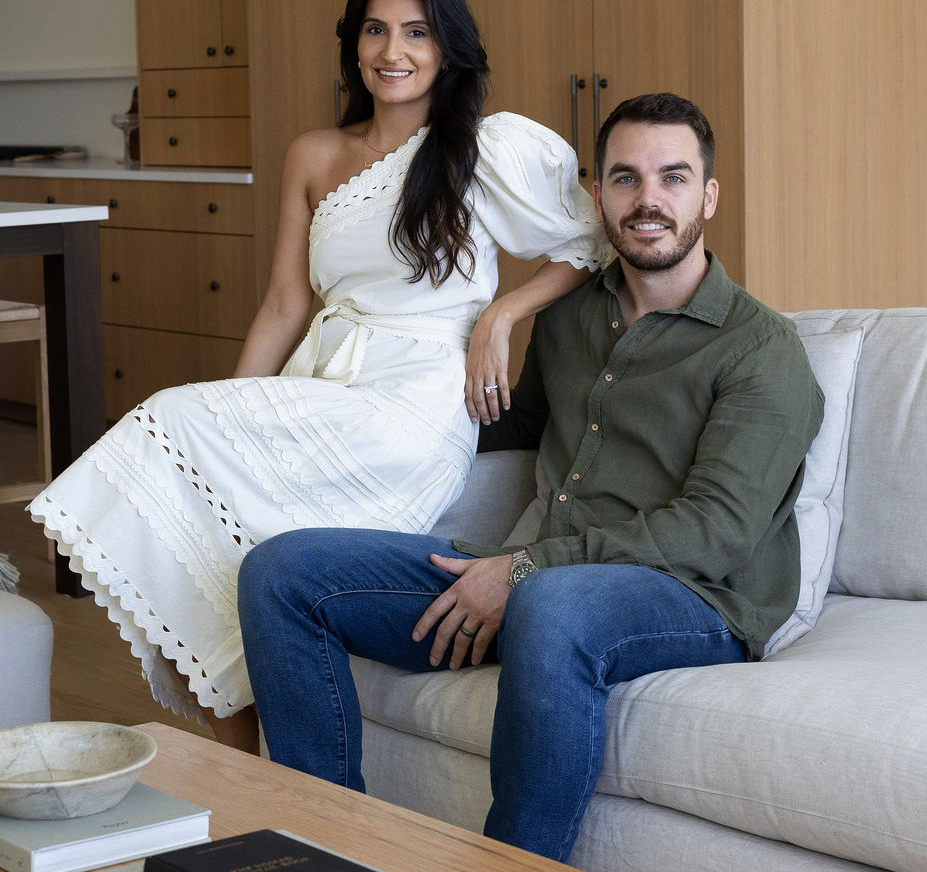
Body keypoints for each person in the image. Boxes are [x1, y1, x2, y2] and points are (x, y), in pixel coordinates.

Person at [29, 0, 612, 749]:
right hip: (325, 375)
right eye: (375, 30)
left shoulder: (482, 148)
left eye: (416, 31)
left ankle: (244, 760)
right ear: (354, 42)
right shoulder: (312, 154)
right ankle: (239, 748)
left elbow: (584, 243)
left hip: (414, 403)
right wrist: (226, 413)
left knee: (196, 459)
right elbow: (283, 303)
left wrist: (500, 315)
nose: (392, 50)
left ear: (447, 48)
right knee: (184, 466)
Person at [237, 92, 825, 864]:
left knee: (550, 603)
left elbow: (713, 531)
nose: (648, 200)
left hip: (696, 599)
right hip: (542, 577)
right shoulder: (571, 317)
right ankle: (324, 849)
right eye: (625, 178)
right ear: (597, 195)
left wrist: (520, 569)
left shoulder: (760, 349)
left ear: (707, 196)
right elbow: (510, 429)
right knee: (282, 571)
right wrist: (375, 409)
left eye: (672, 178)